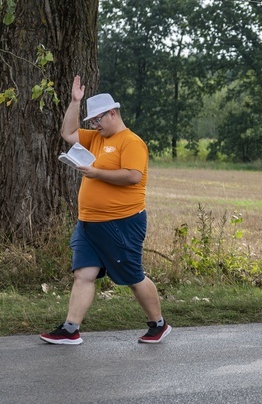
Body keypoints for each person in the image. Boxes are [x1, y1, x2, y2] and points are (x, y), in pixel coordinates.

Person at [41, 76, 171, 345]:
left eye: (98, 120)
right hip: (88, 222)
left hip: (122, 222)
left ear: (113, 113)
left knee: (132, 275)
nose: (94, 126)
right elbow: (68, 133)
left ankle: (158, 325)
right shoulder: (97, 138)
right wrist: (75, 102)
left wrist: (95, 172)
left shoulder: (131, 142)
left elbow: (133, 176)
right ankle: (70, 329)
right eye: (91, 122)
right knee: (83, 273)